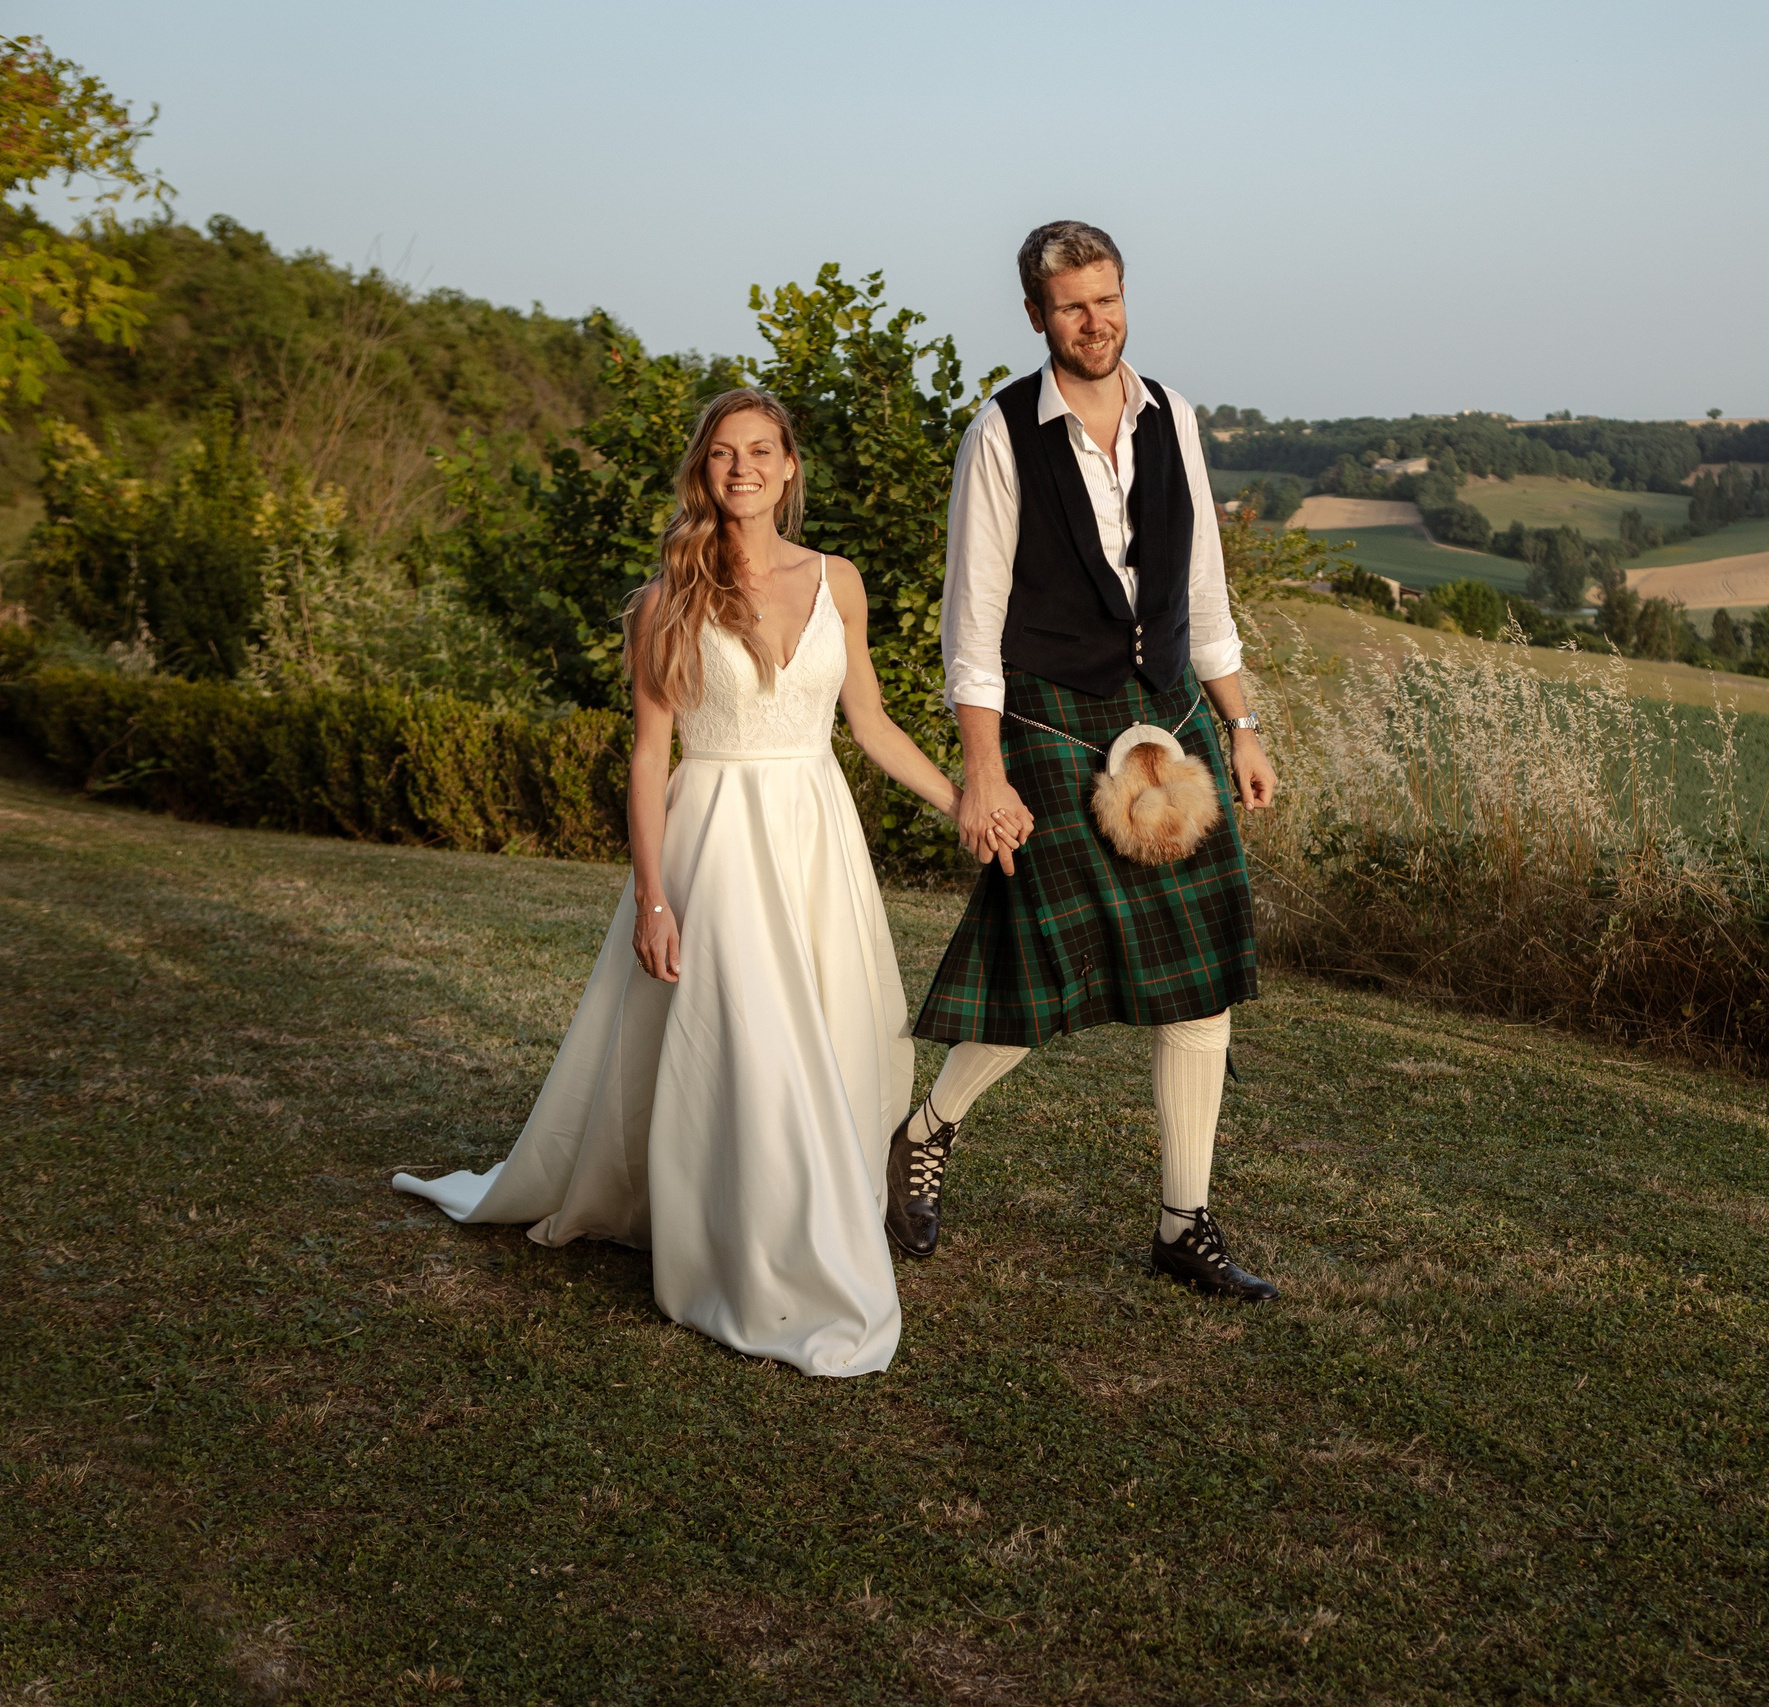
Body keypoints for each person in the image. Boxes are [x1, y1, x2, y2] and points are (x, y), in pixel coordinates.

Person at [393, 388, 1017, 1376]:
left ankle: (793, 1212)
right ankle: (759, 1254)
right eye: (723, 454)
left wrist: (962, 800)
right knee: (752, 1046)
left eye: (761, 451)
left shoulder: (837, 581)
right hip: (715, 842)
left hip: (815, 837)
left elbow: (872, 723)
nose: (743, 469)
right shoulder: (662, 602)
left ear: (789, 466)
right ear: (703, 469)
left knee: (836, 1033)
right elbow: (648, 758)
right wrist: (652, 897)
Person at [894, 220, 1281, 1302]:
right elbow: (970, 628)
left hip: (1169, 725)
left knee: (1199, 987)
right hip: (1053, 723)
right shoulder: (1003, 434)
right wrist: (983, 772)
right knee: (1043, 970)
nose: (1094, 321)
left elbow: (1202, 593)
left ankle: (1181, 1222)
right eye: (1070, 306)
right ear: (1034, 315)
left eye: (1106, 299)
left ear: (1124, 296)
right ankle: (925, 1131)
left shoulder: (1174, 418)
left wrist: (1239, 723)